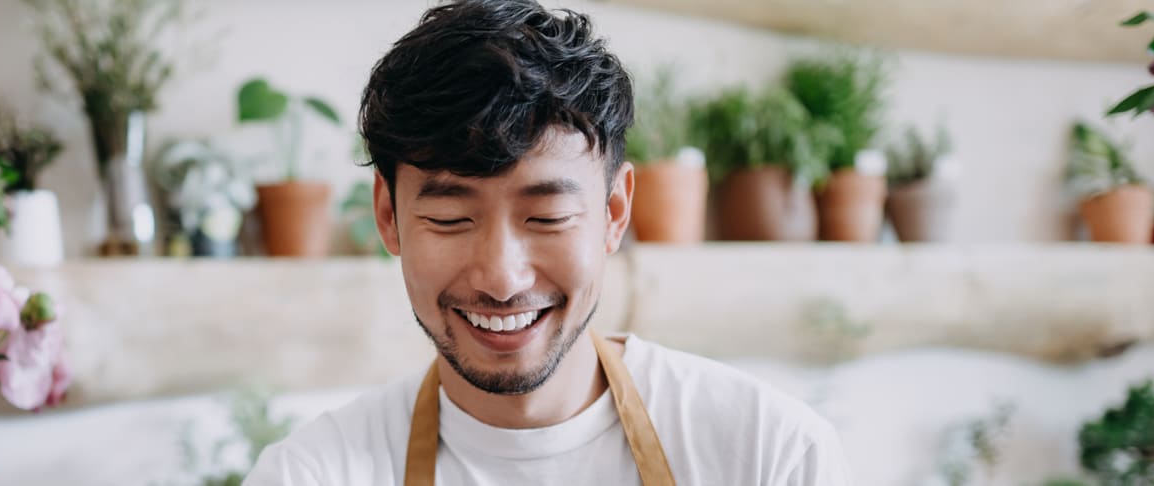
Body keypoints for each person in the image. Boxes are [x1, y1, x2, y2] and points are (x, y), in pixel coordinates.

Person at [244, 1, 850, 484]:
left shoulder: (770, 454)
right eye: (452, 220)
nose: (501, 278)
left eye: (548, 217)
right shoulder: (311, 473)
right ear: (388, 215)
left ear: (615, 211)